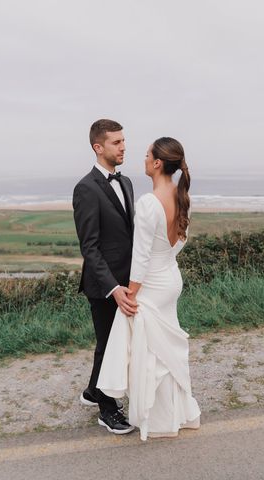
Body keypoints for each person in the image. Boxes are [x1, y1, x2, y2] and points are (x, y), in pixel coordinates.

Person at [97, 137, 201, 440]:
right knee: (165, 348)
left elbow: (140, 257)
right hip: (171, 277)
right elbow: (180, 241)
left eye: (146, 155)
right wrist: (166, 261)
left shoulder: (148, 202)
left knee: (152, 352)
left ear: (157, 163)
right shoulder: (183, 196)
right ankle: (177, 413)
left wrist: (129, 292)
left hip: (152, 283)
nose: (142, 159)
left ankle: (158, 419)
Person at [72, 119, 137, 435]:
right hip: (104, 285)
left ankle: (92, 391)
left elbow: (129, 235)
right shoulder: (85, 189)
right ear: (98, 147)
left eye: (124, 140)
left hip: (129, 280)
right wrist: (113, 287)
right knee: (108, 345)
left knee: (118, 342)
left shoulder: (126, 183)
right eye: (116, 142)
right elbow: (91, 248)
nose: (123, 146)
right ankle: (107, 411)